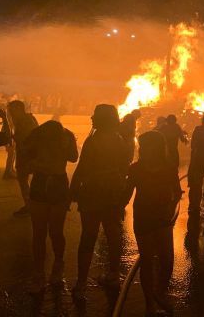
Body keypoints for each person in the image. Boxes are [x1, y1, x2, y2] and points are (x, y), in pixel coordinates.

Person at [70, 104, 129, 301]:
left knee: (88, 236)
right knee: (112, 233)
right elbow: (124, 167)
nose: (91, 117)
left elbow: (83, 167)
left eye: (95, 115)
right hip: (112, 192)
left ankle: (81, 283)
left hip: (93, 192)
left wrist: (73, 189)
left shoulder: (93, 141)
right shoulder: (119, 140)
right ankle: (113, 275)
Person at [124, 131, 182, 315]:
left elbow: (176, 191)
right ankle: (151, 302)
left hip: (161, 218)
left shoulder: (168, 168)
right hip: (145, 217)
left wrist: (170, 207)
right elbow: (127, 193)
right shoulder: (136, 169)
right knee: (149, 260)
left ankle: (158, 293)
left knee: (166, 260)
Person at [24, 121, 78, 293]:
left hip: (43, 183)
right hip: (57, 183)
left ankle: (41, 274)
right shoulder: (66, 135)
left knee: (41, 232)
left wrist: (39, 164)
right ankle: (55, 267)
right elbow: (73, 157)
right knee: (54, 231)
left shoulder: (39, 134)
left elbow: (26, 158)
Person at [7, 100, 39, 217]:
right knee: (25, 181)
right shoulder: (25, 119)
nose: (10, 113)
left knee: (24, 180)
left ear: (19, 109)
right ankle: (31, 205)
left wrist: (14, 137)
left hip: (27, 155)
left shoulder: (25, 121)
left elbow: (26, 139)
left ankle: (31, 205)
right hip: (27, 154)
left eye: (12, 110)